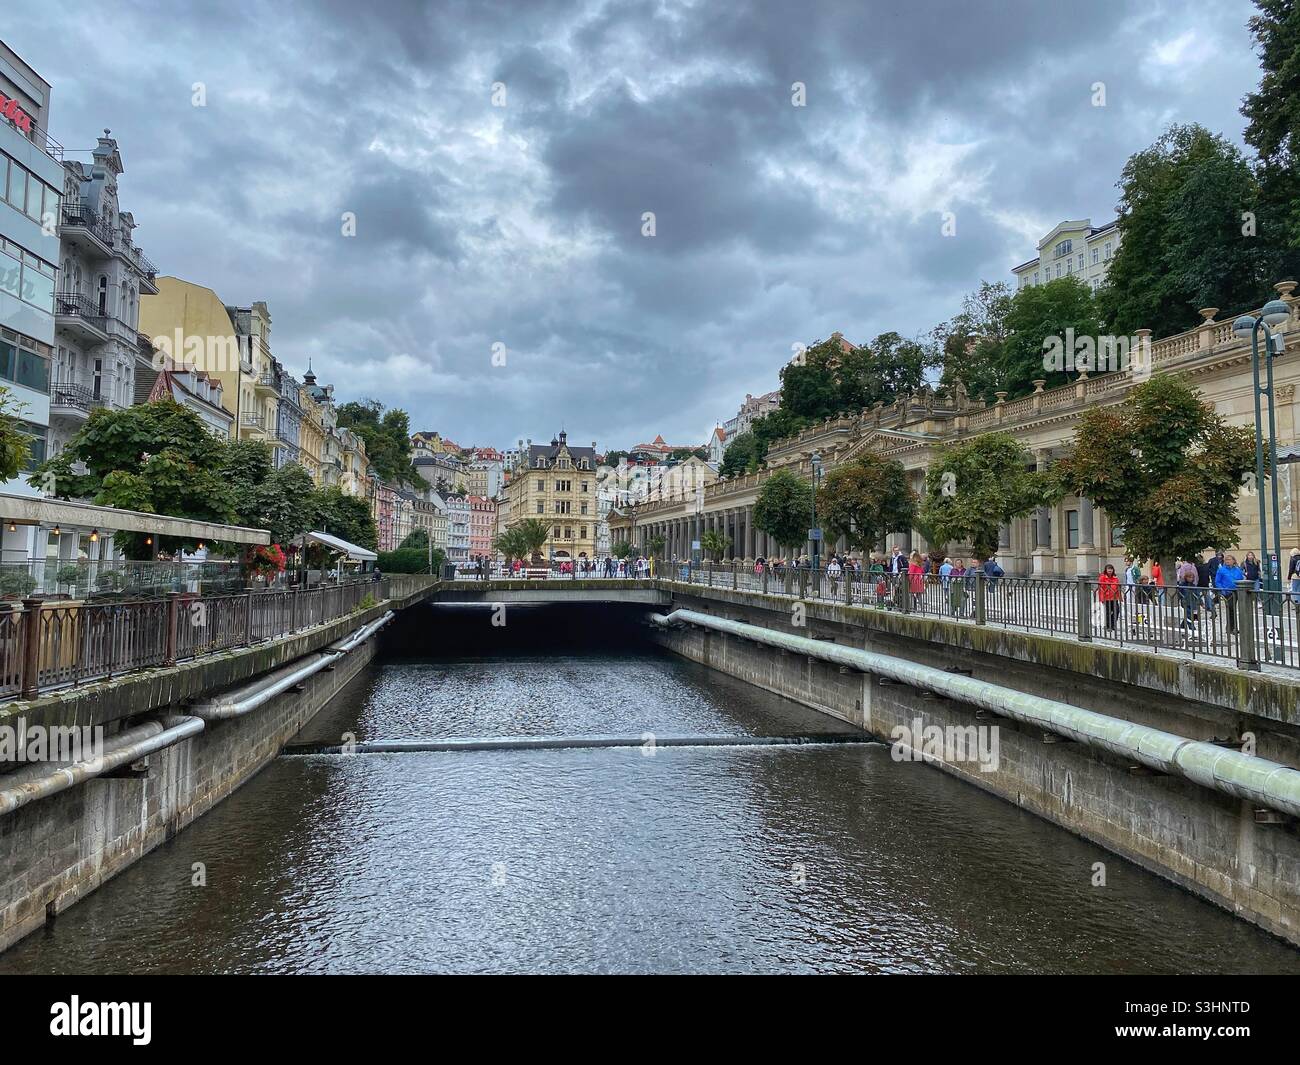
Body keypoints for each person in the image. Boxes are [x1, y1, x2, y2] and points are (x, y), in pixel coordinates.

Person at [1214, 553, 1244, 634]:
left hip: (1237, 591)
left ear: (1233, 561)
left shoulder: (1237, 569)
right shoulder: (1221, 570)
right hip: (1228, 592)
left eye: (1229, 559)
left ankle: (1231, 627)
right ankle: (1231, 628)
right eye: (1226, 560)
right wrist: (1223, 590)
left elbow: (1241, 578)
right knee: (1231, 609)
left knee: (1234, 609)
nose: (1227, 561)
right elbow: (1217, 581)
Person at [1098, 563, 1121, 631]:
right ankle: (1108, 626)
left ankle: (1113, 624)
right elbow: (1101, 588)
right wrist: (1101, 598)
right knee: (1108, 612)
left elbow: (1118, 588)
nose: (1110, 570)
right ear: (1106, 570)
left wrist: (1120, 597)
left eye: (1111, 569)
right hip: (1106, 597)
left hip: (1114, 597)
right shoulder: (1102, 577)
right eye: (1108, 569)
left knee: (1116, 611)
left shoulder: (1115, 578)